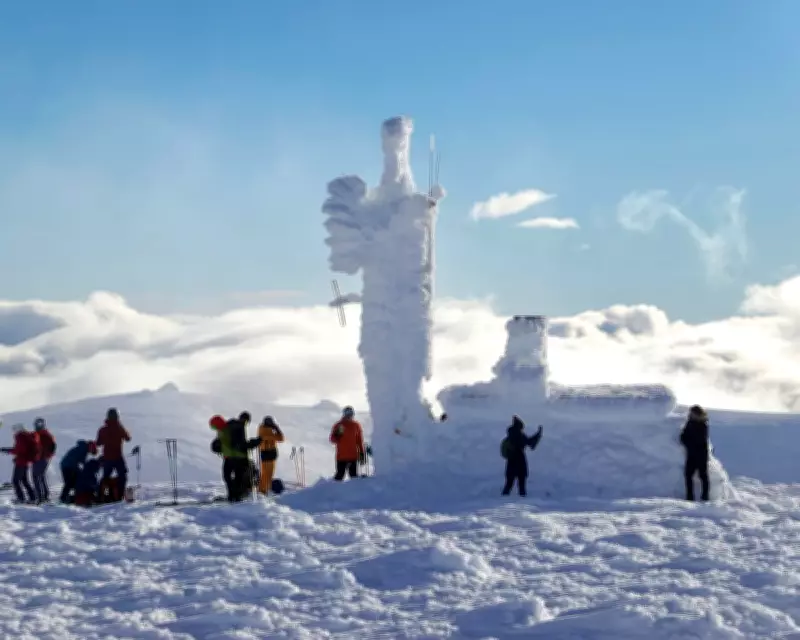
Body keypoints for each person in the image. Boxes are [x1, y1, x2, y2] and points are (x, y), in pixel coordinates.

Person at [209, 412, 259, 502]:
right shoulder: (233, 428)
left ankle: (234, 496)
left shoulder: (230, 427)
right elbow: (240, 444)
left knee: (230, 477)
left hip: (233, 457)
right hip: (235, 457)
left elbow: (236, 444)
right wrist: (254, 443)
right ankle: (235, 496)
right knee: (234, 477)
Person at [500, 416, 543, 496]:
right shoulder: (519, 435)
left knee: (509, 484)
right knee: (521, 484)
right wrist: (538, 434)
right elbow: (531, 443)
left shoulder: (510, 435)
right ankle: (522, 500)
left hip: (511, 462)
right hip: (520, 461)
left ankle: (502, 498)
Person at [95, 408, 131, 502]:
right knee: (122, 476)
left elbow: (98, 443)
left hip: (107, 458)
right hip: (118, 457)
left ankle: (101, 496)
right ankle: (119, 496)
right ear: (117, 417)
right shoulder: (119, 428)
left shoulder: (102, 430)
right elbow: (128, 438)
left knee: (105, 478)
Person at [680, 404, 710, 501]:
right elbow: (684, 436)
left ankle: (705, 497)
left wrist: (688, 441)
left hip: (701, 455)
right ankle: (689, 497)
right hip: (691, 454)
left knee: (703, 476)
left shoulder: (703, 425)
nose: (691, 414)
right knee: (688, 475)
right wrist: (686, 440)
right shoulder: (690, 423)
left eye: (693, 413)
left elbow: (699, 440)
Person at [0, 424, 37, 503]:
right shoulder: (26, 436)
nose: (14, 431)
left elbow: (19, 450)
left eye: (14, 429)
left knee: (15, 481)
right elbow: (21, 450)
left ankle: (21, 498)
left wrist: (7, 450)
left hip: (21, 462)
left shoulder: (20, 437)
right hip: (25, 462)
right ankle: (33, 497)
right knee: (25, 481)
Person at [329, 406, 365, 481]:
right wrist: (337, 435)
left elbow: (359, 441)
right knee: (339, 477)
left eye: (351, 413)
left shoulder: (356, 425)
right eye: (347, 413)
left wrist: (361, 454)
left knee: (354, 478)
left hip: (353, 457)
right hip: (341, 457)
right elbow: (332, 439)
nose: (349, 415)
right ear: (344, 414)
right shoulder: (339, 425)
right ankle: (331, 487)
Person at [255, 416, 284, 495]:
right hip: (269, 454)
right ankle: (262, 491)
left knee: (265, 473)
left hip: (266, 454)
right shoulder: (267, 432)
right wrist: (277, 429)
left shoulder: (262, 429)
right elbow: (281, 438)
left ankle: (262, 490)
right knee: (267, 474)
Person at [31, 417, 56, 503]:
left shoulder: (42, 434)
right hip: (42, 458)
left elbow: (52, 446)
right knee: (41, 476)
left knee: (36, 477)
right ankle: (44, 495)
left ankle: (40, 496)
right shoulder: (46, 434)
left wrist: (45, 454)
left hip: (40, 459)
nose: (37, 426)